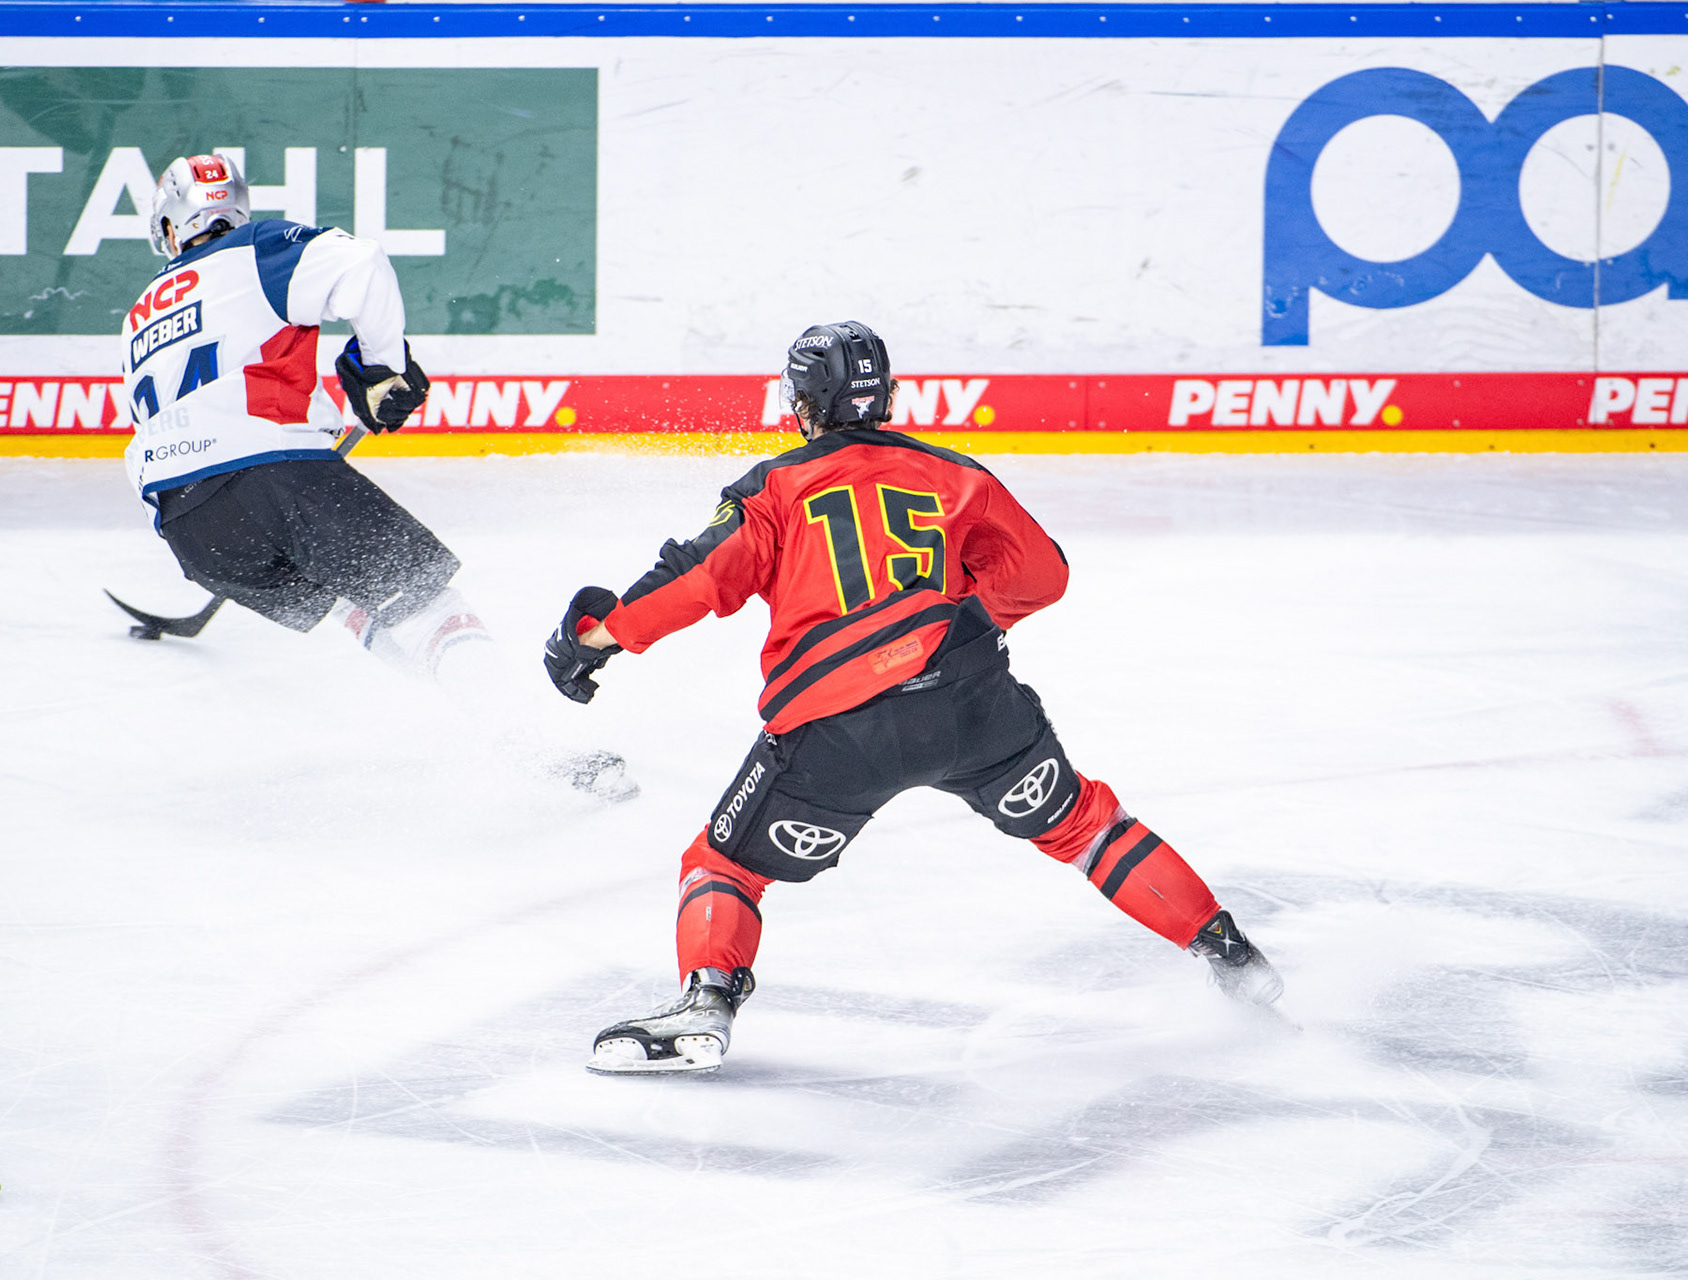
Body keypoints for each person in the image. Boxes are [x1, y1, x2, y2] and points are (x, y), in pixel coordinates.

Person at [543, 321, 1283, 1075]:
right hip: (975, 708)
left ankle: (708, 1002)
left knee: (724, 865)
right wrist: (962, 621)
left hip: (840, 734)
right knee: (1089, 827)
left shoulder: (776, 487)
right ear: (888, 395)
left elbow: (694, 581)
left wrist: (596, 639)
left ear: (801, 403)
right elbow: (1042, 577)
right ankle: (1231, 954)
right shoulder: (958, 476)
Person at [122, 152, 633, 800]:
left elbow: (226, 392)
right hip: (272, 477)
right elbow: (360, 266)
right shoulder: (256, 247)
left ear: (171, 226)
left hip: (192, 530)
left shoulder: (139, 313)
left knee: (360, 609)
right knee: (426, 605)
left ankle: (481, 710)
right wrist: (382, 368)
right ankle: (529, 748)